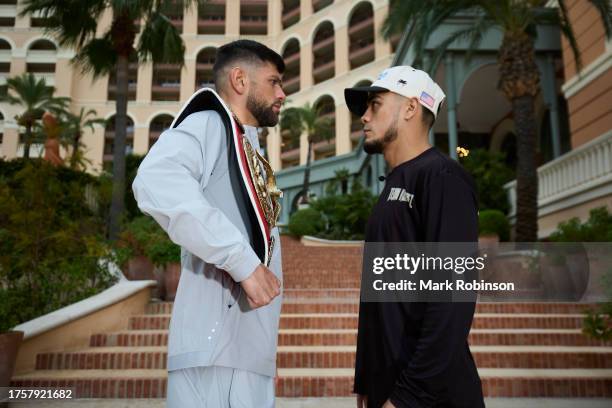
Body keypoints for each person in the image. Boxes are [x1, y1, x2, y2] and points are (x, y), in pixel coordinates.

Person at [132, 39, 286, 408]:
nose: (282, 93)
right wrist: (243, 261)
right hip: (215, 350)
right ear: (239, 79)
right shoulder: (210, 123)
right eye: (274, 82)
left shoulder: (248, 143)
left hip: (247, 352)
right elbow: (155, 181)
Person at [344, 66, 485, 408]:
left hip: (429, 397)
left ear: (410, 108)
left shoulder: (441, 177)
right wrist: (366, 379)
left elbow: (453, 296)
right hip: (389, 388)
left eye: (374, 104)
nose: (363, 117)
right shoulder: (395, 183)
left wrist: (408, 397)